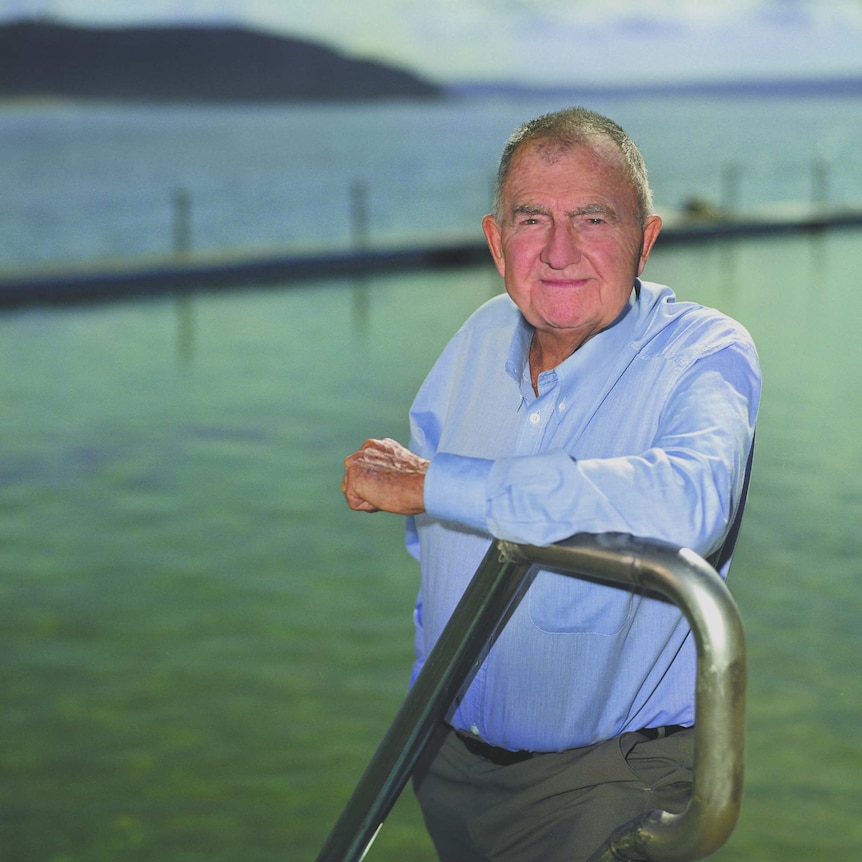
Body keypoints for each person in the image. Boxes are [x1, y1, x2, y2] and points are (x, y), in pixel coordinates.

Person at [341, 106, 760, 862]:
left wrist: (439, 483)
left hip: (609, 787)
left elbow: (689, 502)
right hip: (448, 770)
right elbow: (434, 546)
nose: (560, 250)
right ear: (497, 242)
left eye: (593, 218)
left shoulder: (704, 351)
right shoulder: (475, 338)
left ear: (647, 239)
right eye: (532, 218)